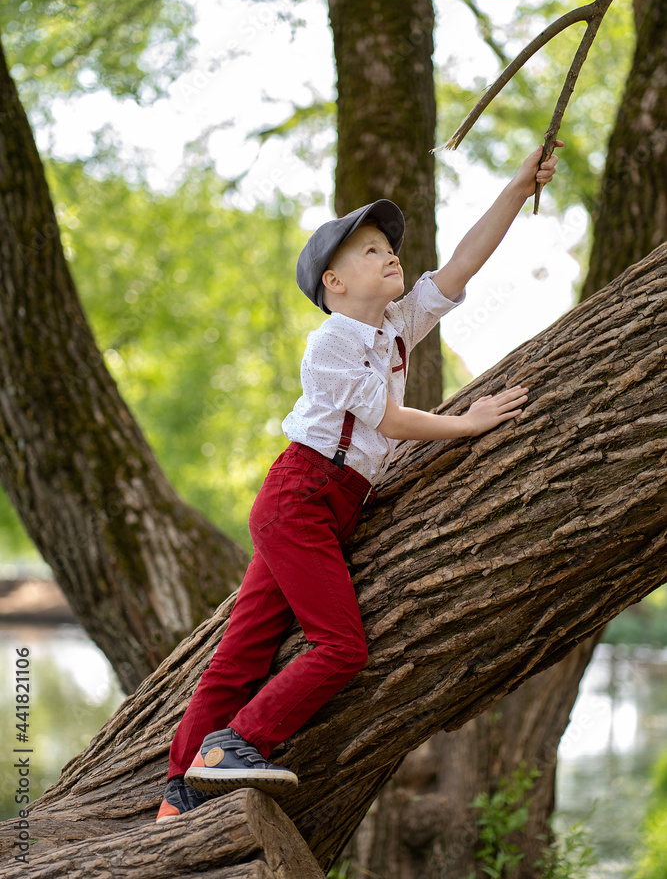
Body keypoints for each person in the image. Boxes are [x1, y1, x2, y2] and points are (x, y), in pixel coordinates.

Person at [155, 142, 563, 822]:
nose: (388, 255)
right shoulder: (334, 341)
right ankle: (235, 748)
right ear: (333, 285)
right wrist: (467, 423)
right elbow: (390, 419)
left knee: (240, 656)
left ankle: (178, 799)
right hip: (301, 495)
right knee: (341, 646)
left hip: (330, 503)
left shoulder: (396, 326)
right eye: (369, 250)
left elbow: (461, 265)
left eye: (387, 246)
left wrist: (517, 189)